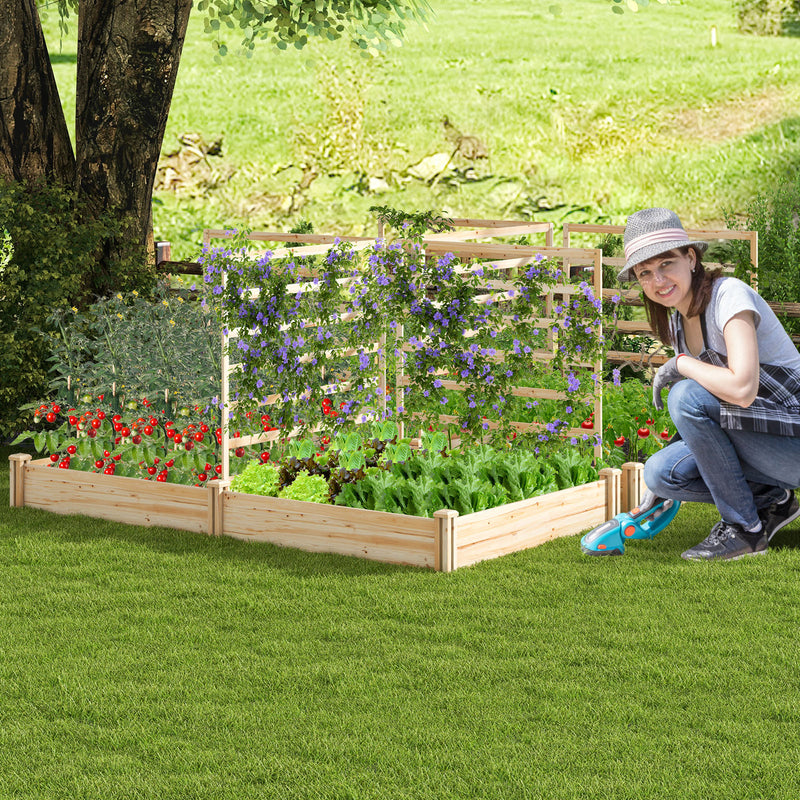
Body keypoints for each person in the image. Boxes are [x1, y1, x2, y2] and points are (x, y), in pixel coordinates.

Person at [619, 207, 800, 560]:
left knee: (685, 393)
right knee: (660, 473)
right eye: (645, 272)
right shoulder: (677, 323)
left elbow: (742, 388)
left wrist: (681, 364)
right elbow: (709, 414)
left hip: (792, 438)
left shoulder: (729, 296)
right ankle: (771, 500)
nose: (658, 280)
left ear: (690, 258)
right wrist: (658, 493)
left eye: (666, 264)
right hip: (762, 437)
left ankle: (744, 530)